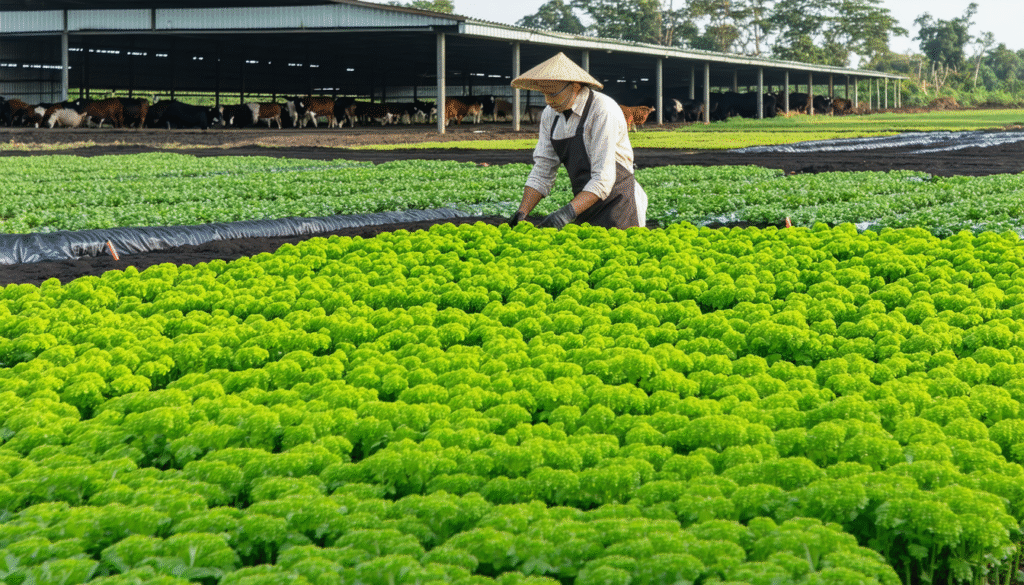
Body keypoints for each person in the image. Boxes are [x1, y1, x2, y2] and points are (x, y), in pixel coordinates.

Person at [507, 52, 648, 230]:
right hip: (585, 204)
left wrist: (564, 214)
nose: (548, 101)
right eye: (544, 94)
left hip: (619, 204)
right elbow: (543, 169)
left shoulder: (603, 110)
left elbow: (603, 179)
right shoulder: (550, 114)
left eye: (553, 94)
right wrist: (522, 212)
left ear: (574, 86)